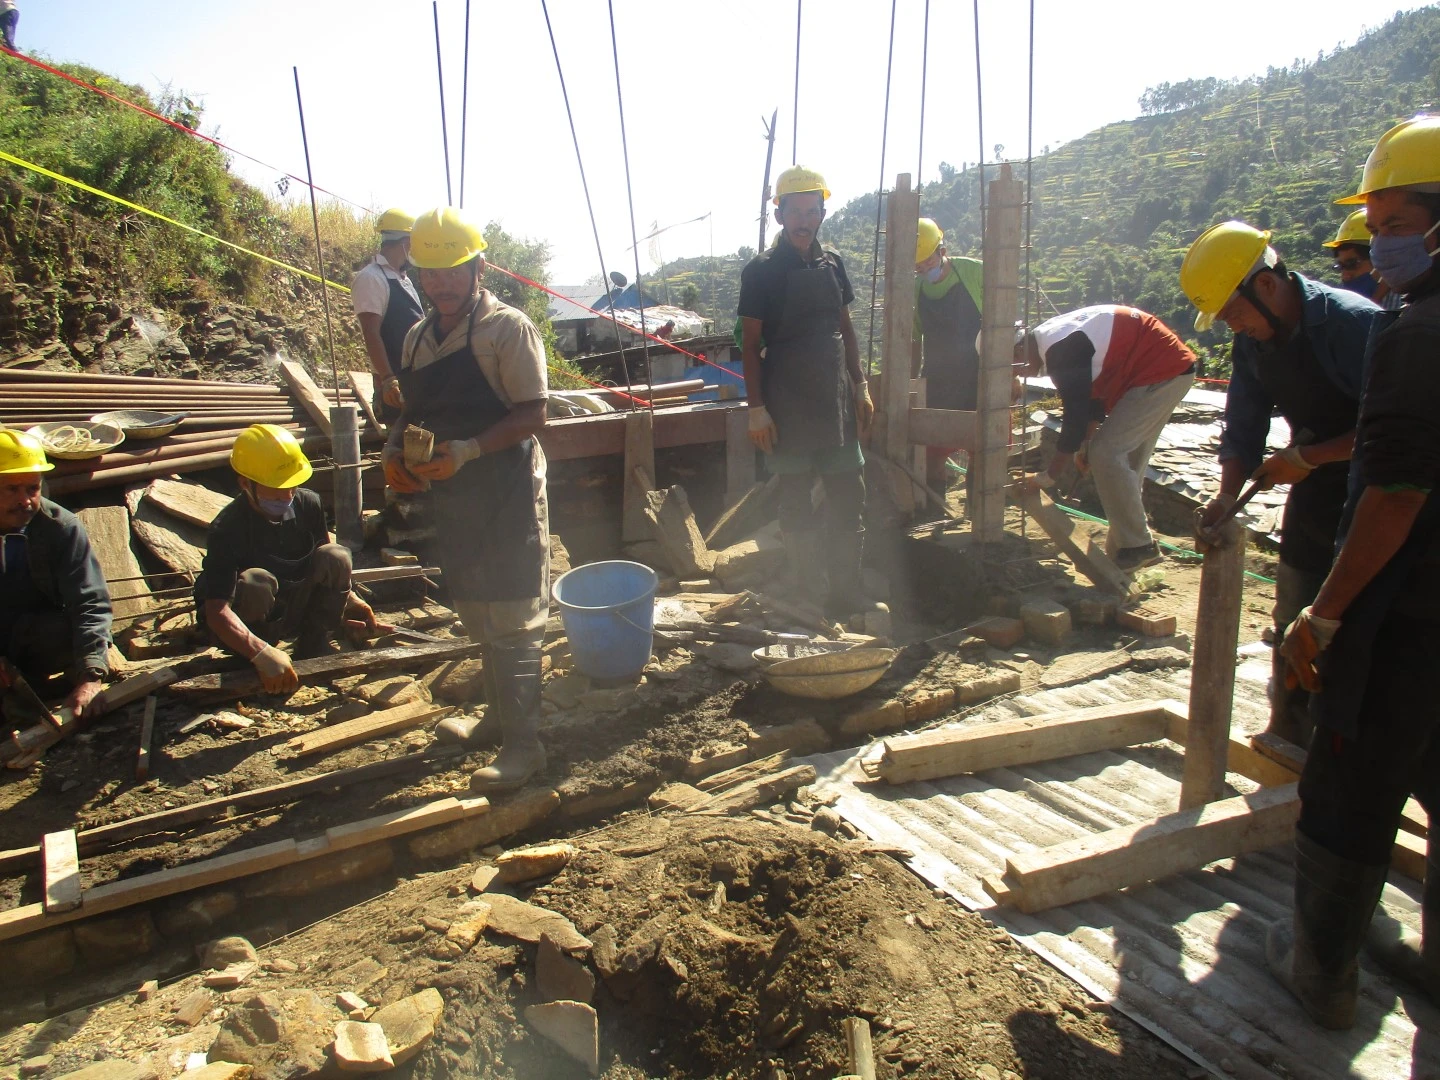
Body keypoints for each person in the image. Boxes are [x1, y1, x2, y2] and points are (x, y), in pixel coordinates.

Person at [1267, 114, 1440, 1029]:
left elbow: (1395, 495)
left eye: (1391, 220)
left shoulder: (1411, 334)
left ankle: (1321, 975)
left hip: (1402, 613)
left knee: (1349, 783)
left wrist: (1324, 614)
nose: (1376, 242)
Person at [1182, 221, 1380, 746]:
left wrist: (1306, 457)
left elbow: (1398, 430)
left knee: (1358, 623)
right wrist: (1227, 494)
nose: (1233, 326)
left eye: (1234, 312)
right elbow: (1244, 423)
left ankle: (1348, 748)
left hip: (1383, 490)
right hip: (1316, 486)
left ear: (1266, 285)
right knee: (1293, 607)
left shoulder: (1355, 325)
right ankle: (1289, 731)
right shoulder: (1254, 342)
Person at [382, 207, 551, 794]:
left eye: (452, 271)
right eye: (429, 274)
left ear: (478, 267)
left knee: (512, 609)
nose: (440, 285)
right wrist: (393, 451)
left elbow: (533, 414)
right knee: (476, 602)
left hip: (505, 483)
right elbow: (412, 409)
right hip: (454, 490)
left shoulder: (507, 329)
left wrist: (469, 450)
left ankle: (525, 747)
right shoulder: (416, 335)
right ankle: (497, 718)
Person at [737, 165, 877, 619]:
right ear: (778, 215)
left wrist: (861, 384)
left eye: (811, 210)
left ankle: (846, 592)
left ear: (821, 212)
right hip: (787, 402)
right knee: (795, 499)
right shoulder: (760, 272)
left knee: (848, 495)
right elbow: (750, 343)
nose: (803, 219)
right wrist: (756, 409)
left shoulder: (832, 263)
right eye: (794, 211)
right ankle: (807, 592)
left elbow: (846, 330)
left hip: (834, 400)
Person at [196, 425, 378, 695]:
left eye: (292, 485)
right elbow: (216, 612)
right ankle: (256, 658)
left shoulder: (309, 504)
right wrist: (261, 653)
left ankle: (313, 642)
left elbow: (325, 560)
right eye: (276, 489)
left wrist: (351, 599)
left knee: (337, 554)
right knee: (256, 580)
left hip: (292, 605)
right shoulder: (227, 528)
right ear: (246, 484)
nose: (287, 495)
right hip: (247, 620)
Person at [1015, 305, 1196, 570]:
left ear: (1019, 350)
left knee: (1107, 453)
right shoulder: (1053, 340)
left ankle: (1139, 546)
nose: (1021, 375)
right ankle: (1124, 552)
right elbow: (1093, 400)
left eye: (1016, 368)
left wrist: (1048, 476)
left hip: (1160, 370)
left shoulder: (1060, 350)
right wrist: (1085, 446)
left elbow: (1074, 417)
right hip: (1160, 368)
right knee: (1125, 464)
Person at [0, 430, 110, 719]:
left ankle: (37, 687)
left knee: (64, 631)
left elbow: (90, 602)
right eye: (11, 489)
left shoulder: (60, 528)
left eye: (32, 489)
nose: (25, 500)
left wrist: (91, 676)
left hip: (35, 638)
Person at [912, 217, 984, 501]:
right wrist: (913, 382)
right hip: (938, 378)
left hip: (977, 375)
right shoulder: (917, 289)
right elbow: (914, 338)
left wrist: (1009, 376)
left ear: (942, 250)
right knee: (933, 448)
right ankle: (935, 506)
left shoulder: (974, 273)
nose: (924, 270)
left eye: (928, 262)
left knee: (980, 446)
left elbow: (1002, 325)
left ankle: (976, 507)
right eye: (918, 267)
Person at [351, 209, 424, 426]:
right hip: (397, 386)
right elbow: (371, 332)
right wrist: (388, 379)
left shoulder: (403, 279)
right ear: (406, 241)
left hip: (415, 383)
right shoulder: (372, 278)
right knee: (402, 451)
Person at [1323, 209, 1403, 310]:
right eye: (1340, 267)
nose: (1345, 276)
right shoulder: (1346, 313)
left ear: (1382, 259)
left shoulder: (1407, 306)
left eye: (1351, 264)